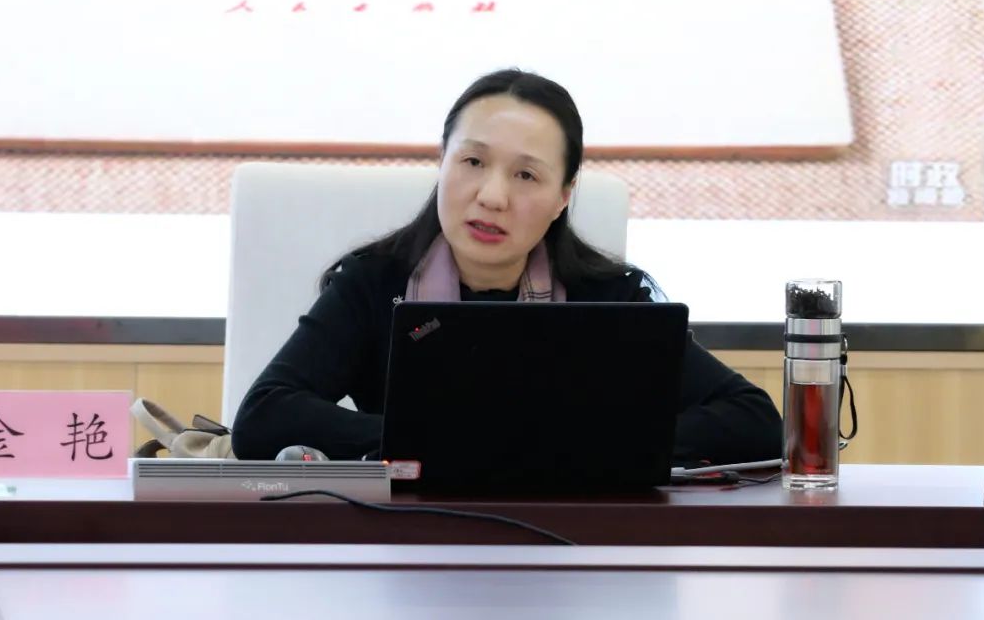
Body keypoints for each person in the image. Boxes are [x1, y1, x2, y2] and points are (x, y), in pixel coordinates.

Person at [231, 69, 782, 465]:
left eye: (526, 175)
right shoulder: (374, 284)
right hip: (407, 546)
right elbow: (264, 415)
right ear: (442, 162)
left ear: (563, 196)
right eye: (473, 161)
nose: (491, 196)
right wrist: (431, 440)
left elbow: (753, 419)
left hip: (576, 551)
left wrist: (590, 444)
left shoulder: (608, 297)